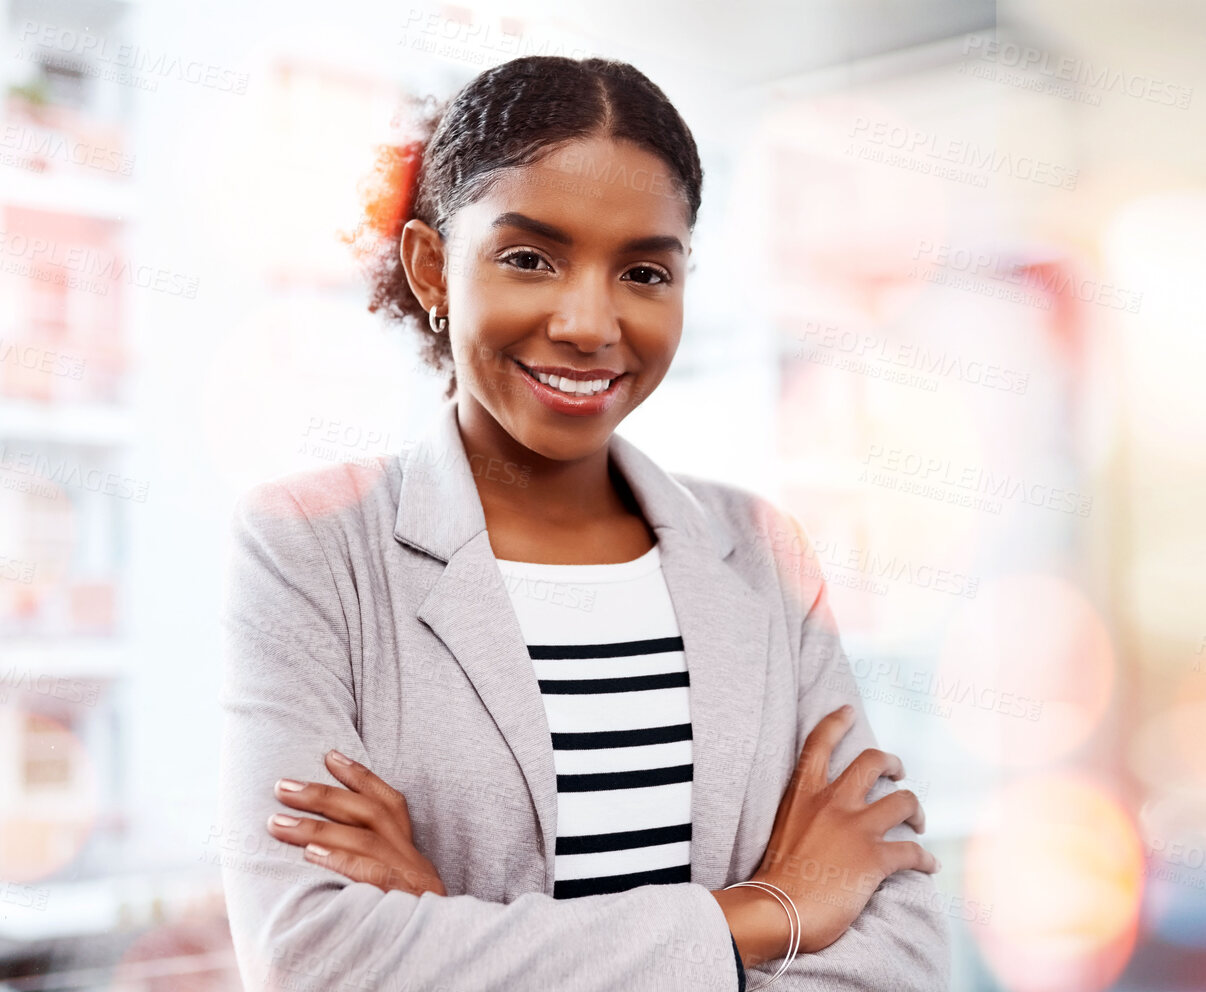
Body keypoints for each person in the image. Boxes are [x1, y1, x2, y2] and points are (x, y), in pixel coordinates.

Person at [216, 55, 947, 991]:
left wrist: (445, 932)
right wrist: (770, 912)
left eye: (644, 271)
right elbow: (315, 959)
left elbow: (903, 950)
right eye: (530, 258)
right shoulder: (312, 546)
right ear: (433, 268)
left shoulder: (762, 552)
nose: (589, 323)